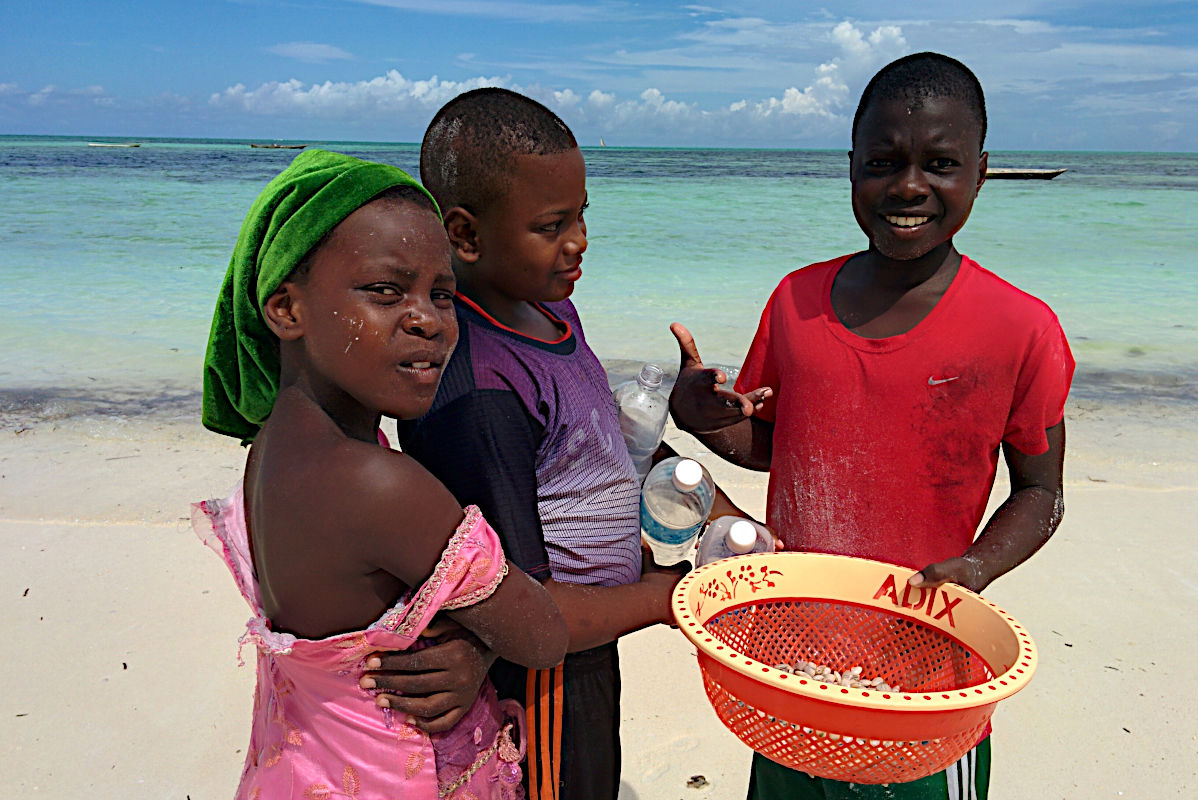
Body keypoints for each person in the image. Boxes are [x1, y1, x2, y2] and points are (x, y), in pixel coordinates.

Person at [669, 52, 1075, 800]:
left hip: (927, 682)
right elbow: (781, 446)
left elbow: (1041, 493)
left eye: (940, 163)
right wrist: (700, 422)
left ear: (980, 173)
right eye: (883, 162)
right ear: (851, 167)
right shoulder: (797, 301)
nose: (910, 186)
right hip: (791, 667)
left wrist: (977, 570)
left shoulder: (1022, 329)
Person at [381, 87, 753, 800]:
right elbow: (523, 606)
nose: (579, 240)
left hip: (587, 642)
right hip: (539, 675)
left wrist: (716, 508)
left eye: (582, 215)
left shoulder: (551, 308)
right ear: (465, 236)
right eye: (552, 225)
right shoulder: (478, 387)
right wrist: (676, 597)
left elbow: (599, 445)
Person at [195, 148, 568, 799]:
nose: (427, 319)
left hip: (302, 766)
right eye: (385, 292)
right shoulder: (379, 485)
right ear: (286, 309)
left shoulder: (272, 455)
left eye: (443, 294)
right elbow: (540, 634)